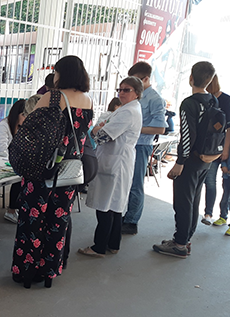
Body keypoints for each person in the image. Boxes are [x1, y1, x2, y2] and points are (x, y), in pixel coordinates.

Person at [11, 55, 93, 288]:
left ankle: (27, 271)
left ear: (61, 73)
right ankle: (49, 271)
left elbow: (30, 129)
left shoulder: (53, 97)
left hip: (44, 169)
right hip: (70, 171)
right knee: (58, 222)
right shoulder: (88, 100)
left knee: (32, 221)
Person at [153, 61, 217, 258]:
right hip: (206, 158)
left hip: (190, 161)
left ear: (191, 78)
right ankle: (185, 240)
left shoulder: (189, 103)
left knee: (182, 202)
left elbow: (188, 135)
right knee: (194, 200)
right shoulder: (213, 100)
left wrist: (180, 162)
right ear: (210, 80)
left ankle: (179, 244)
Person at [78, 77, 143, 256]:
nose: (121, 93)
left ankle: (99, 247)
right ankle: (113, 244)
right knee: (114, 206)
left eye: (126, 90)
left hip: (115, 163)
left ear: (137, 93)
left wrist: (97, 129)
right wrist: (100, 128)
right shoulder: (128, 108)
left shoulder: (128, 112)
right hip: (116, 160)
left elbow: (101, 136)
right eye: (119, 89)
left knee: (105, 207)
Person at [121, 62, 167, 236]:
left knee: (136, 184)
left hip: (141, 145)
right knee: (125, 182)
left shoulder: (155, 99)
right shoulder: (134, 95)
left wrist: (134, 127)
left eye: (137, 80)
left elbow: (160, 128)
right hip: (127, 144)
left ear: (146, 79)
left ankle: (132, 221)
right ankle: (125, 216)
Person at [0, 98, 29, 222]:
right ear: (17, 114)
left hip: (9, 161)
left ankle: (15, 209)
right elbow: (2, 148)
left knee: (21, 176)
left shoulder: (23, 127)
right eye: (24, 115)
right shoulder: (4, 125)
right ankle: (11, 210)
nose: (26, 118)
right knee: (19, 176)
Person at [201, 75, 230, 226]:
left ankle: (223, 215)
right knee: (209, 180)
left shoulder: (226, 100)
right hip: (208, 147)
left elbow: (229, 129)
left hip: (223, 148)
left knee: (224, 185)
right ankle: (208, 213)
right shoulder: (206, 100)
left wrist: (225, 150)